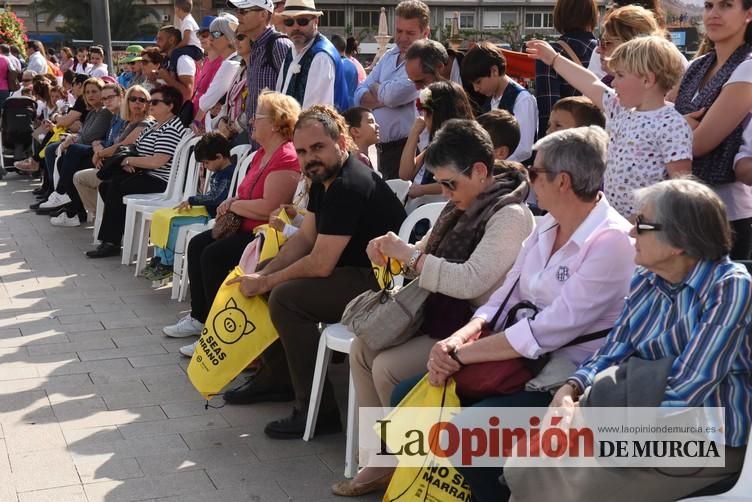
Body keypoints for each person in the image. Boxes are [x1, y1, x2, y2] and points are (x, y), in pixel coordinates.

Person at [391, 126, 636, 502]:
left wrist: (459, 355)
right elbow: (501, 300)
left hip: (564, 379)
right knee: (405, 399)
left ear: (563, 182)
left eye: (534, 172)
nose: (526, 176)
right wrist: (456, 340)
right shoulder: (548, 225)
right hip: (516, 362)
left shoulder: (612, 241)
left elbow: (547, 332)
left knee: (468, 434)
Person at [507, 179, 752, 502]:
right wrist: (571, 389)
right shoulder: (647, 277)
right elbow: (613, 350)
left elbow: (689, 387)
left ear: (679, 240)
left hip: (709, 433)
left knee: (569, 486)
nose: (631, 232)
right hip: (637, 416)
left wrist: (596, 424)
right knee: (531, 463)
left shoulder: (730, 287)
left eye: (642, 225)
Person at [333, 119, 535, 497]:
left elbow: (471, 281)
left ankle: (402, 463)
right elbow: (423, 254)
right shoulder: (461, 204)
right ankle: (382, 458)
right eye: (441, 183)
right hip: (444, 316)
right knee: (363, 350)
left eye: (449, 184)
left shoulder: (509, 214)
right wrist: (391, 250)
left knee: (387, 367)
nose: (444, 192)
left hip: (479, 329)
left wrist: (408, 255)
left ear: (479, 170)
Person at [218, 106, 407, 443]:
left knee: (286, 298)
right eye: (302, 151)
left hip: (379, 282)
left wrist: (268, 281)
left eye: (317, 147)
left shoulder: (349, 183)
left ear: (341, 141)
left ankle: (319, 411)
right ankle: (277, 379)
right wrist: (265, 273)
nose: (309, 158)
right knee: (268, 276)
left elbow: (320, 263)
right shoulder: (324, 179)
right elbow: (305, 238)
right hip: (350, 270)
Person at [162, 91, 302, 338]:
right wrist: (233, 200)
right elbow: (246, 194)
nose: (251, 122)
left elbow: (271, 207)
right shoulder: (261, 154)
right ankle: (200, 318)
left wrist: (235, 206)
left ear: (275, 122)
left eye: (256, 117)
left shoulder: (286, 157)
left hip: (264, 235)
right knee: (197, 245)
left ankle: (217, 330)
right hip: (243, 227)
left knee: (213, 255)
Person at [527, 35, 692, 220]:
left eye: (620, 75)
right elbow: (590, 83)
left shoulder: (672, 124)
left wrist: (644, 220)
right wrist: (554, 59)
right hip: (612, 220)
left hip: (645, 228)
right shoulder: (619, 108)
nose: (613, 82)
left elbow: (680, 187)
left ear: (647, 80)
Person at [675, 0, 752, 259]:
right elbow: (661, 118)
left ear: (748, 14)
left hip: (725, 212)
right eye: (708, 6)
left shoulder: (748, 67)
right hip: (683, 204)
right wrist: (682, 124)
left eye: (726, 5)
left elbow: (699, 143)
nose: (713, 14)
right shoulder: (698, 65)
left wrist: (675, 125)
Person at [86, 86, 187, 258]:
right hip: (145, 173)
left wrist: (128, 160)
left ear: (170, 106)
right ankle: (123, 234)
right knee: (107, 186)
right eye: (150, 102)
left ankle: (111, 242)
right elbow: (134, 147)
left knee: (116, 186)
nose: (150, 105)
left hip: (162, 181)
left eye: (154, 102)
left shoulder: (171, 128)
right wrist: (127, 162)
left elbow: (157, 161)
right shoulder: (155, 125)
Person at [145, 132, 236, 281]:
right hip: (204, 209)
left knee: (173, 222)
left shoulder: (227, 174)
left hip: (211, 214)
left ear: (219, 157)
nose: (205, 167)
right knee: (161, 216)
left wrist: (192, 200)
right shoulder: (220, 171)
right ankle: (159, 258)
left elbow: (216, 197)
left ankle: (168, 264)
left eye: (206, 163)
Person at [354, 0, 429, 179]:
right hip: (384, 150)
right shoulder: (390, 55)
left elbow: (393, 97)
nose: (403, 38)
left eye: (410, 33)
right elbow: (359, 93)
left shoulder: (424, 61)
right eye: (399, 31)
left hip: (407, 149)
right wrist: (383, 94)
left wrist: (377, 90)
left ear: (425, 33)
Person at [71, 85, 154, 225]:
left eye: (142, 99)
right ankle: (103, 216)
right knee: (75, 167)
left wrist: (100, 154)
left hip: (129, 168)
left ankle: (106, 218)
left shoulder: (146, 122)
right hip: (115, 163)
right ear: (127, 101)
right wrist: (99, 149)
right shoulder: (126, 122)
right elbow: (112, 144)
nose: (137, 103)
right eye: (133, 99)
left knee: (81, 175)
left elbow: (124, 145)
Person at [37, 77, 113, 214]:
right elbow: (83, 133)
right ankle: (64, 202)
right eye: (87, 92)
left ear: (102, 93)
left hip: (96, 151)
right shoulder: (92, 112)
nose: (90, 95)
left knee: (70, 150)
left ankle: (62, 195)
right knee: (56, 152)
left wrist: (73, 139)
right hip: (86, 148)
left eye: (94, 91)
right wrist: (73, 137)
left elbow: (89, 136)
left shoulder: (104, 112)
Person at [461, 42, 538, 163]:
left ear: (494, 71)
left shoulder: (522, 99)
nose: (476, 89)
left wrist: (491, 165)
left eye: (478, 82)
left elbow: (524, 149)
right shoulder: (490, 98)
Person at [229, 0, 292, 146]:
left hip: (276, 141)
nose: (238, 15)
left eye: (243, 11)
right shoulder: (256, 48)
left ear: (263, 14)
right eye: (237, 11)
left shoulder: (278, 45)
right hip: (258, 140)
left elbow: (292, 95)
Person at [398, 81, 475, 200]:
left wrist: (423, 189)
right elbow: (405, 174)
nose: (423, 117)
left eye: (426, 112)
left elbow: (458, 180)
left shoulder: (462, 142)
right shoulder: (435, 141)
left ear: (438, 112)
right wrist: (413, 134)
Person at [535, 0, 598, 136]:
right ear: (593, 15)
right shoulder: (603, 51)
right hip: (601, 138)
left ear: (559, 15)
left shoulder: (551, 53)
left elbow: (548, 108)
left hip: (567, 142)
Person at [274, 0, 351, 111]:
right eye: (289, 22)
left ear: (316, 21)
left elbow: (314, 114)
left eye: (302, 21)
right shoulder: (291, 52)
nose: (295, 27)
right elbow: (280, 94)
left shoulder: (321, 57)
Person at [594, 5, 667, 87]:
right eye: (600, 42)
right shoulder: (607, 81)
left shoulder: (655, 93)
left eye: (606, 43)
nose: (598, 50)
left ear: (633, 47)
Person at [195, 14, 241, 124]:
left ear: (230, 38)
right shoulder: (236, 60)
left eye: (216, 34)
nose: (210, 39)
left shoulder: (230, 64)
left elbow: (205, 103)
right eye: (210, 34)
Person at [155, 26, 196, 104]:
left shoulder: (183, 60)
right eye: (156, 39)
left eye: (160, 39)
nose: (156, 42)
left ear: (171, 40)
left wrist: (167, 78)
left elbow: (187, 95)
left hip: (180, 113)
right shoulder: (167, 60)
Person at [331, 34, 358, 104]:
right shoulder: (353, 66)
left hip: (338, 107)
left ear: (332, 48)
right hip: (351, 107)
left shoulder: (334, 65)